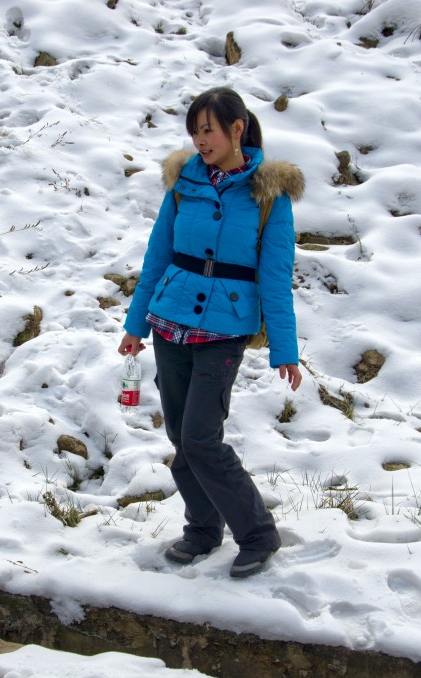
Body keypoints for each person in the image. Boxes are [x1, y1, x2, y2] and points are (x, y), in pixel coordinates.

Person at [118, 87, 304, 578]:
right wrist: (136, 325)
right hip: (170, 323)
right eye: (194, 132)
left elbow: (275, 276)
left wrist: (285, 348)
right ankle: (202, 530)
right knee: (182, 437)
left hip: (223, 330)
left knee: (201, 437)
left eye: (209, 131)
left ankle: (258, 534)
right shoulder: (183, 183)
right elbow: (158, 256)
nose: (200, 141)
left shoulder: (268, 195)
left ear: (236, 129)